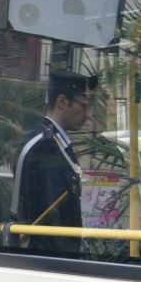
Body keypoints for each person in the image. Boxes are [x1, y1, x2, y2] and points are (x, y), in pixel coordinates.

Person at [11, 70, 96, 253]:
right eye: (84, 106)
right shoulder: (43, 146)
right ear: (62, 102)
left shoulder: (54, 142)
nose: (88, 115)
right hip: (48, 258)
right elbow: (48, 215)